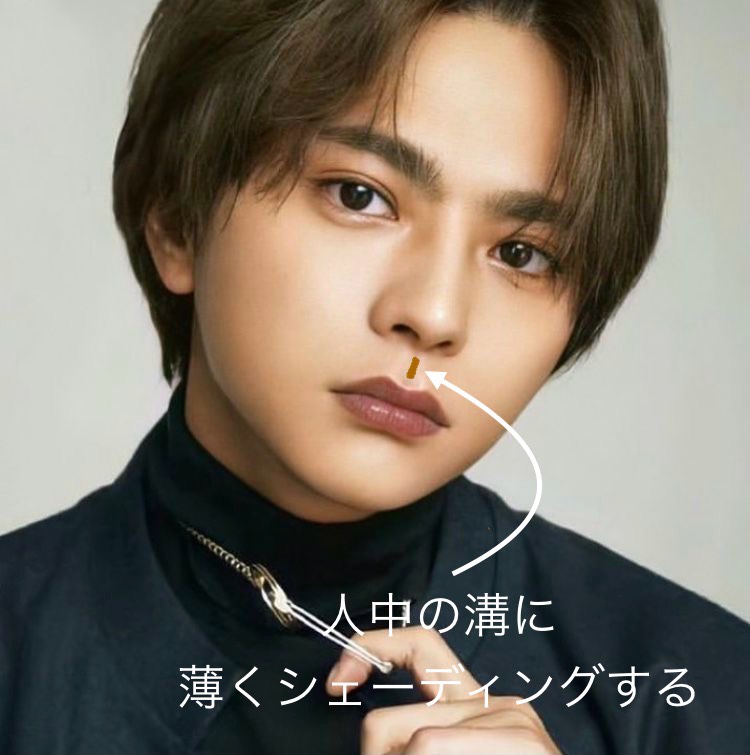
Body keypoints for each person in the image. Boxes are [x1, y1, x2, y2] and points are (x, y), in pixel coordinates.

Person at [1, 1, 748, 753]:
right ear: (176, 218)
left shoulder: (704, 696)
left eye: (521, 254)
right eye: (360, 195)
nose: (433, 314)